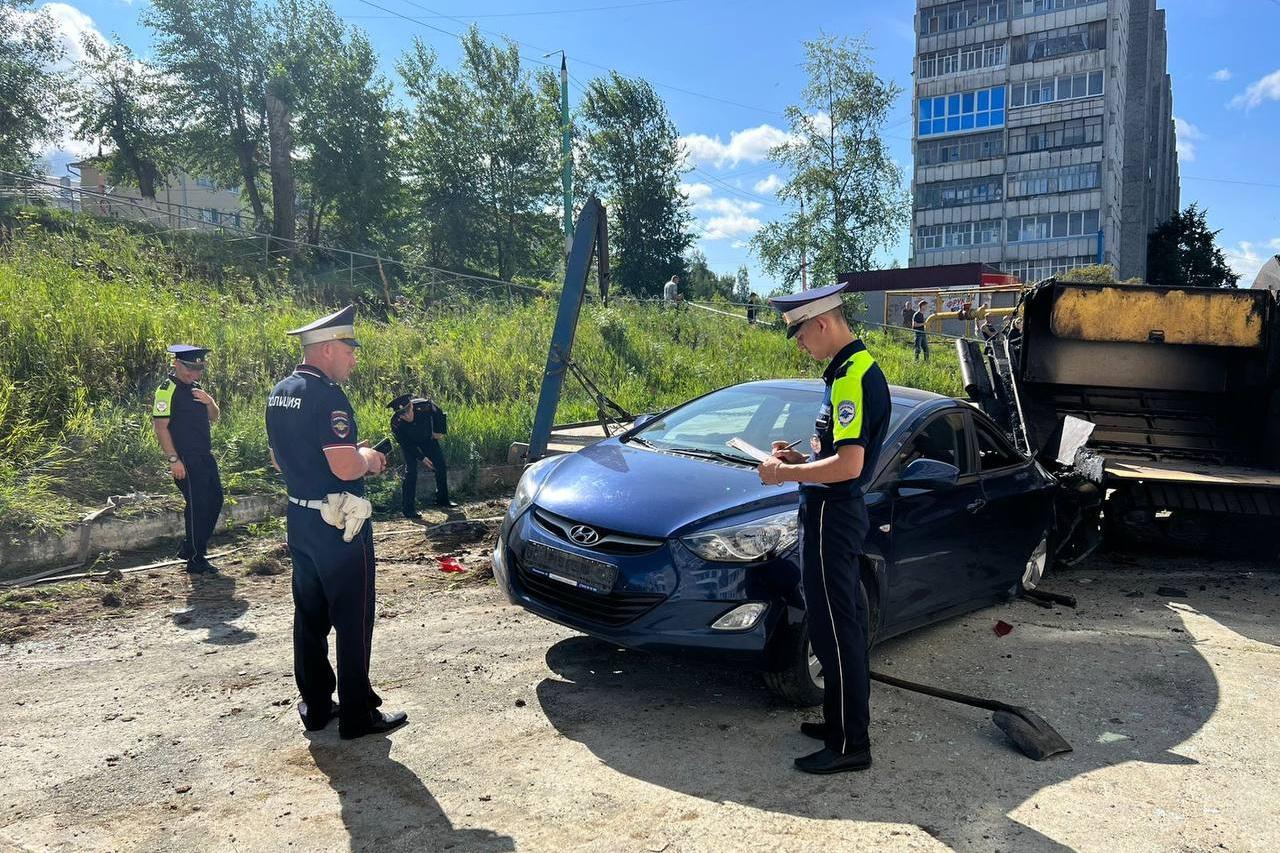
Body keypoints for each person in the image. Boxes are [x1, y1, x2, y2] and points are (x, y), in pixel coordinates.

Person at [758, 282, 891, 775]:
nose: (798, 345)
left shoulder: (853, 376)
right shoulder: (844, 374)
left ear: (822, 323)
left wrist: (784, 474)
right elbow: (833, 455)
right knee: (835, 626)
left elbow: (851, 465)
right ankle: (839, 724)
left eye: (798, 333)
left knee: (835, 630)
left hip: (833, 515)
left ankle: (850, 744)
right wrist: (799, 460)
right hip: (828, 513)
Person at [265, 305, 408, 740]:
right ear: (327, 350)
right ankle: (358, 714)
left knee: (309, 614)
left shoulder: (280, 391)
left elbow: (279, 458)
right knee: (353, 617)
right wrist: (369, 458)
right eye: (350, 350)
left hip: (301, 517)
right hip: (338, 524)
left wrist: (341, 458)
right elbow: (347, 468)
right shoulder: (328, 396)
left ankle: (315, 704)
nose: (354, 358)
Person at [152, 344, 223, 574]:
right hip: (185, 458)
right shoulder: (166, 390)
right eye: (190, 368)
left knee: (215, 501)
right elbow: (160, 427)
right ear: (176, 364)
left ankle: (189, 547)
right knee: (198, 505)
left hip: (204, 455)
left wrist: (209, 401)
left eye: (199, 369)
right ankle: (195, 558)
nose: (194, 373)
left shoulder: (197, 388)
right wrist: (174, 459)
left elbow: (215, 417)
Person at [389, 392, 458, 518]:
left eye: (408, 411)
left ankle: (442, 500)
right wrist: (422, 457)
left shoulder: (424, 406)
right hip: (411, 445)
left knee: (440, 465)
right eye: (402, 414)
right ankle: (408, 509)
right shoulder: (396, 423)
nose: (407, 416)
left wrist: (439, 431)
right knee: (411, 472)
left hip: (427, 439)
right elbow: (405, 444)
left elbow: (439, 413)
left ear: (411, 405)